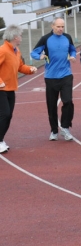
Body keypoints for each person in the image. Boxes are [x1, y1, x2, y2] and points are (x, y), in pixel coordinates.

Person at [30, 18, 77, 141]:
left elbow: (73, 49)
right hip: (51, 77)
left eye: (62, 26)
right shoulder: (46, 39)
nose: (61, 29)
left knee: (68, 102)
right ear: (52, 26)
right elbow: (33, 53)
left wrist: (72, 56)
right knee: (51, 105)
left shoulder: (67, 37)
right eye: (58, 26)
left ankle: (65, 128)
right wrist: (39, 56)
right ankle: (54, 130)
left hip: (66, 75)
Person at [0, 25, 38, 153]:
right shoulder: (3, 50)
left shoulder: (17, 50)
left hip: (11, 88)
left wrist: (30, 70)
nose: (21, 38)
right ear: (15, 37)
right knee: (4, 114)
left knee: (8, 115)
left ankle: (1, 139)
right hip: (1, 89)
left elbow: (20, 67)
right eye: (20, 35)